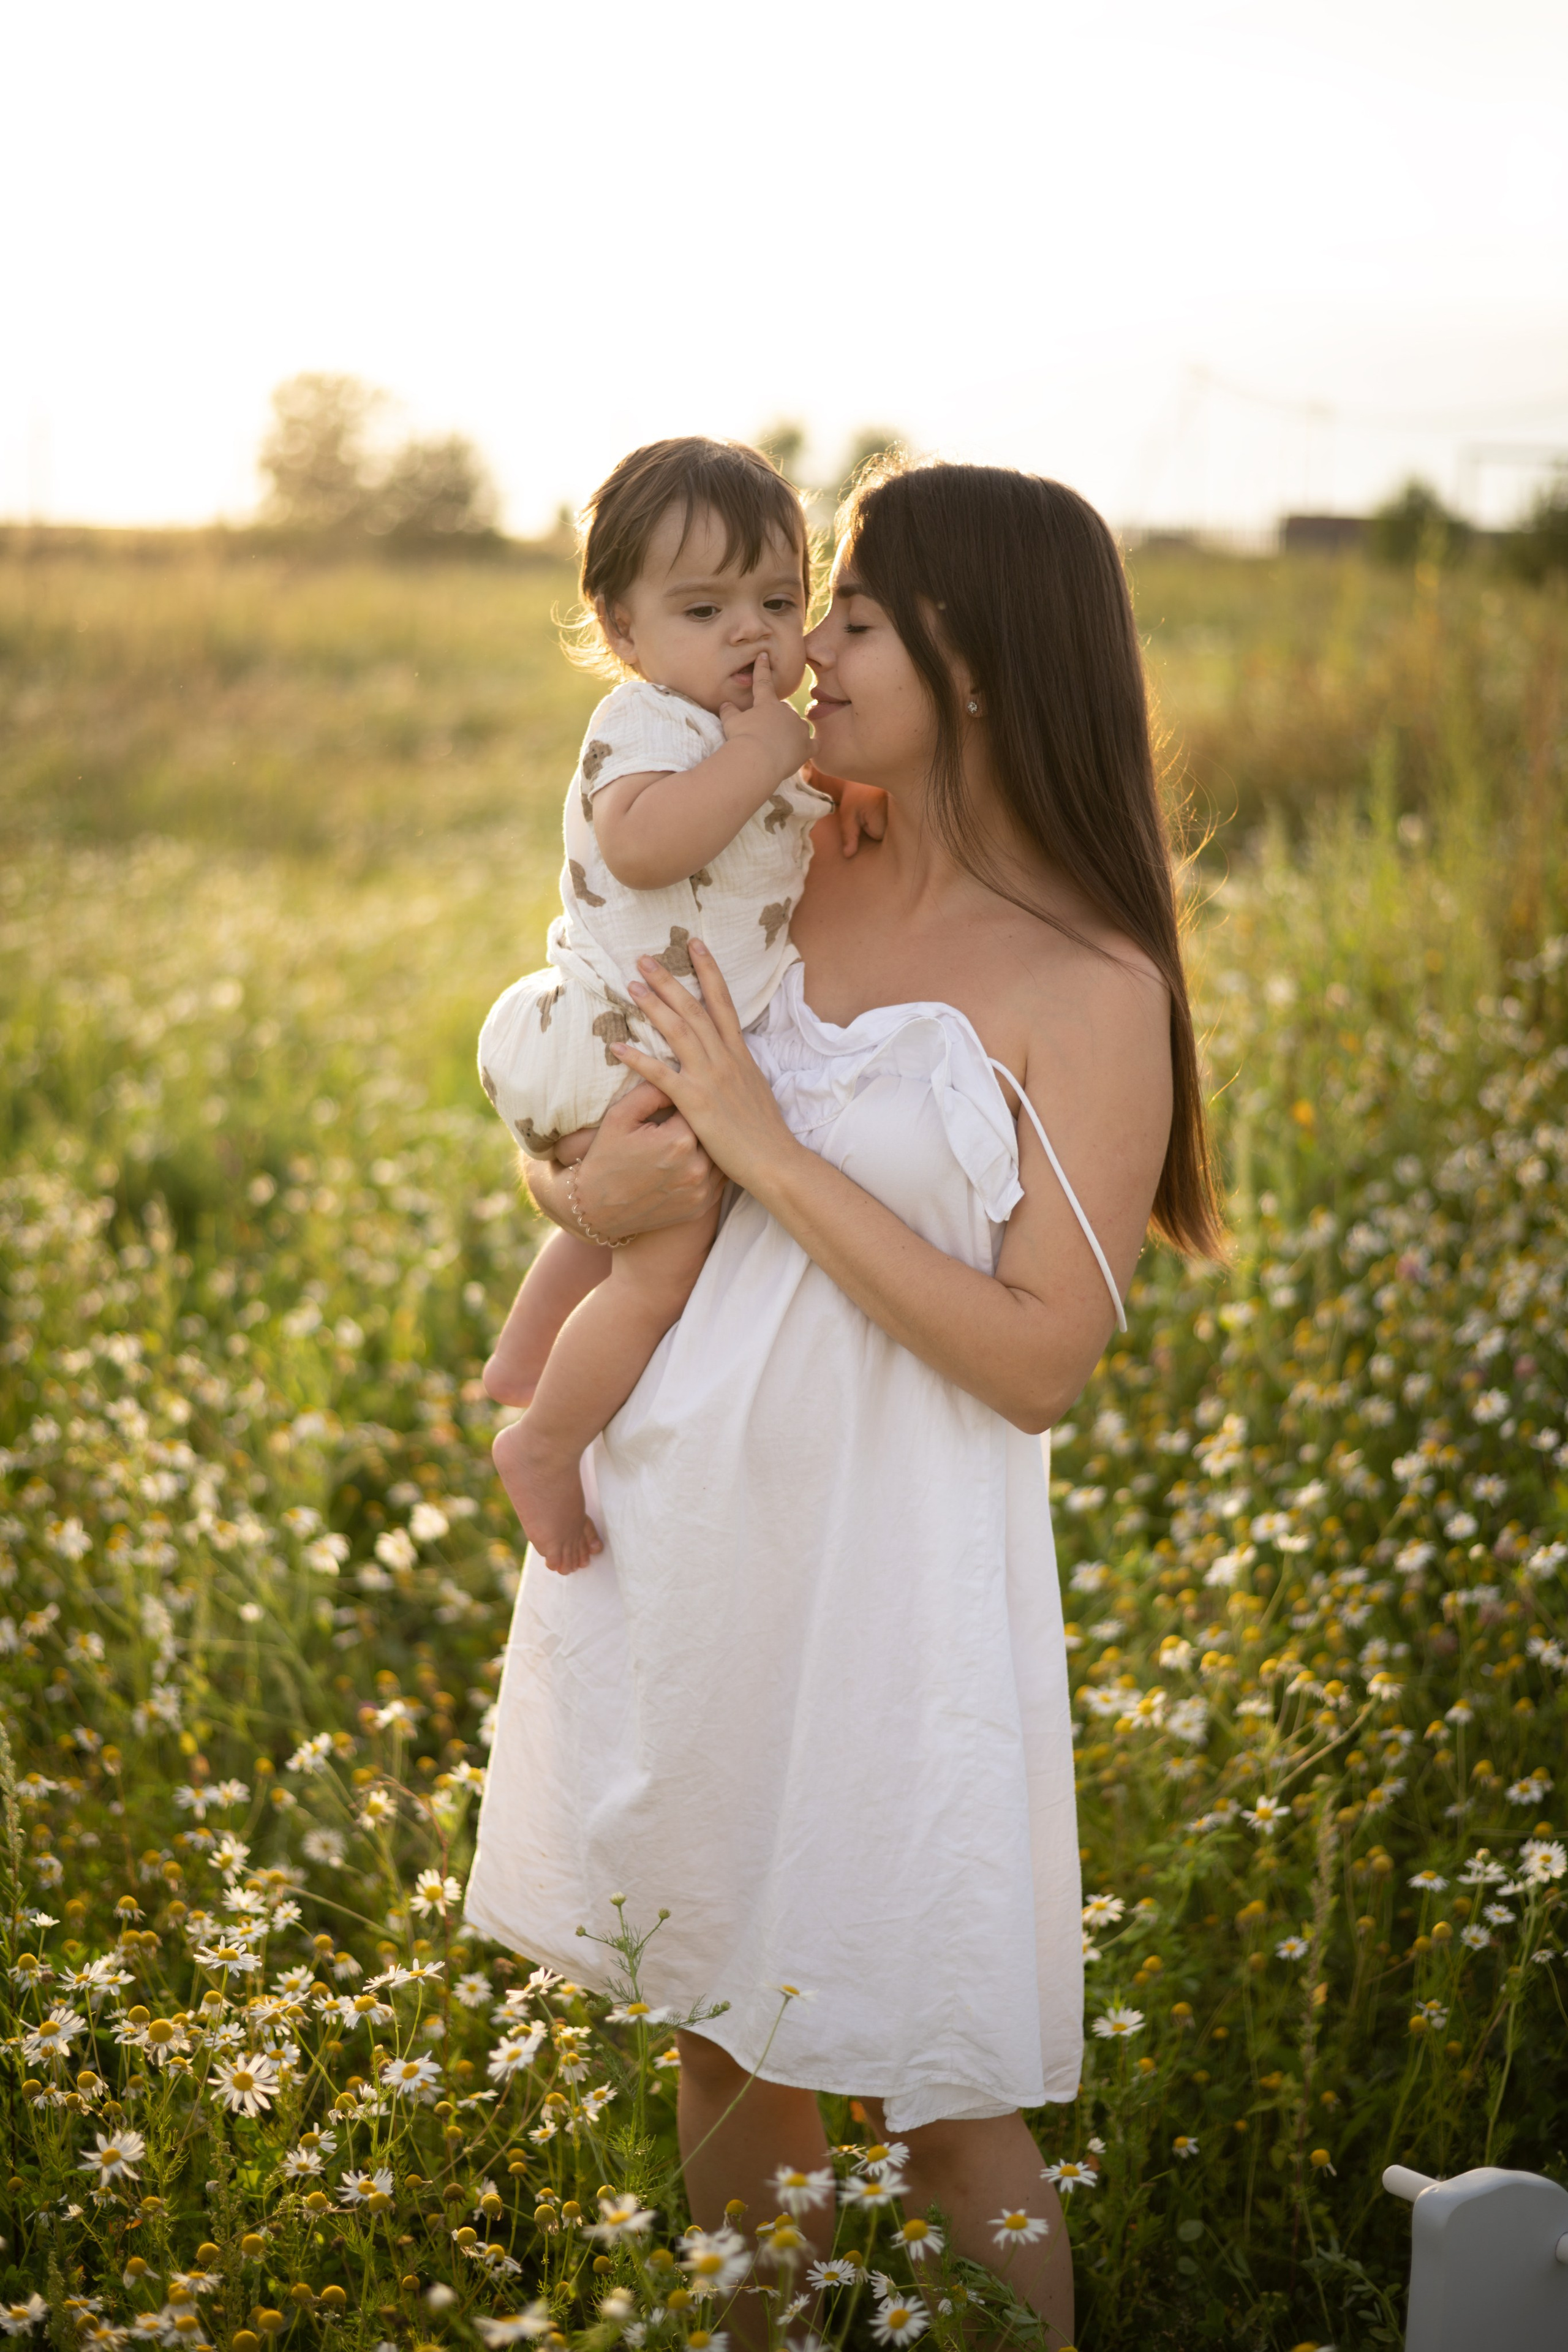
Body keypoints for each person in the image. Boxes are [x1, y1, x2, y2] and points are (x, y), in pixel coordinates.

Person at [466, 458, 1221, 2344]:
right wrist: (573, 1192)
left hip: (890, 1578)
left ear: (979, 659)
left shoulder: (1092, 981)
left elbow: (1038, 1362)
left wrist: (766, 1153)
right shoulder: (792, 856)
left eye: (854, 617)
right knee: (726, 2038)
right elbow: (613, 1109)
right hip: (691, 1526)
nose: (805, 654)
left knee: (937, 2092)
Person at [477, 437, 884, 1571]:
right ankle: (545, 1443)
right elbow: (647, 845)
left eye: (778, 601)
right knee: (663, 1264)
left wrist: (834, 787)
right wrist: (767, 756)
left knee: (636, 1214)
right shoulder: (648, 723)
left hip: (650, 1036)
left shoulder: (745, 738)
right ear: (624, 632)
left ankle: (522, 1355)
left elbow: (771, 821)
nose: (751, 634)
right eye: (704, 610)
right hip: (621, 1035)